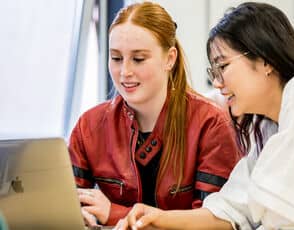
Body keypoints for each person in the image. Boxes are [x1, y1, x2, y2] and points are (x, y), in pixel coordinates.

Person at [114, 2, 294, 230]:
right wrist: (160, 218)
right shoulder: (267, 128)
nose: (218, 82)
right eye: (213, 71)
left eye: (223, 66)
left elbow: (293, 216)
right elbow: (230, 210)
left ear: (264, 60)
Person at [68, 1, 243, 226]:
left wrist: (114, 213)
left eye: (139, 59)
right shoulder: (89, 126)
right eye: (116, 58)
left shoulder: (210, 124)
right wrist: (79, 215)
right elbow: (69, 202)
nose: (125, 72)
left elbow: (213, 223)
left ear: (169, 58)